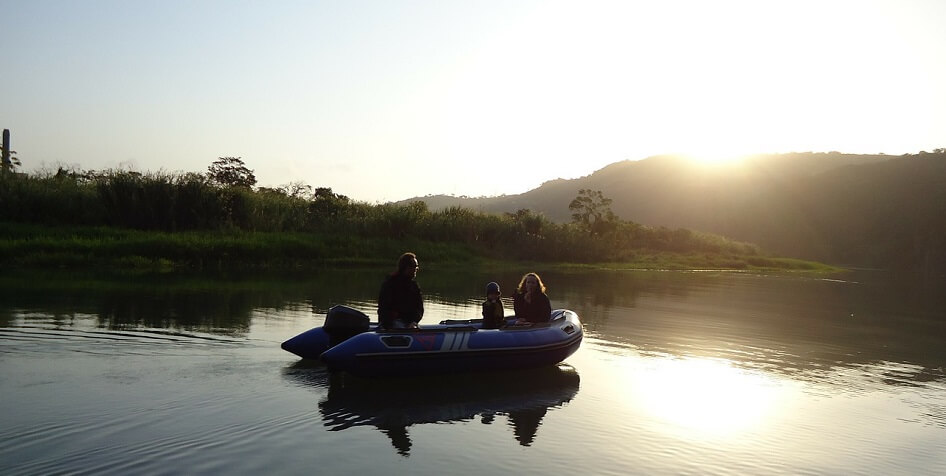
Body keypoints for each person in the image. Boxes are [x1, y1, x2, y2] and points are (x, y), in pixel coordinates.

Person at [377, 252, 424, 329]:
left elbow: (419, 308)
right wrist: (389, 324)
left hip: (409, 323)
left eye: (417, 266)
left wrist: (414, 322)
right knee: (398, 325)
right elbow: (383, 308)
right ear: (406, 267)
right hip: (392, 323)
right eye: (414, 266)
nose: (416, 269)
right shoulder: (390, 283)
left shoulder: (414, 286)